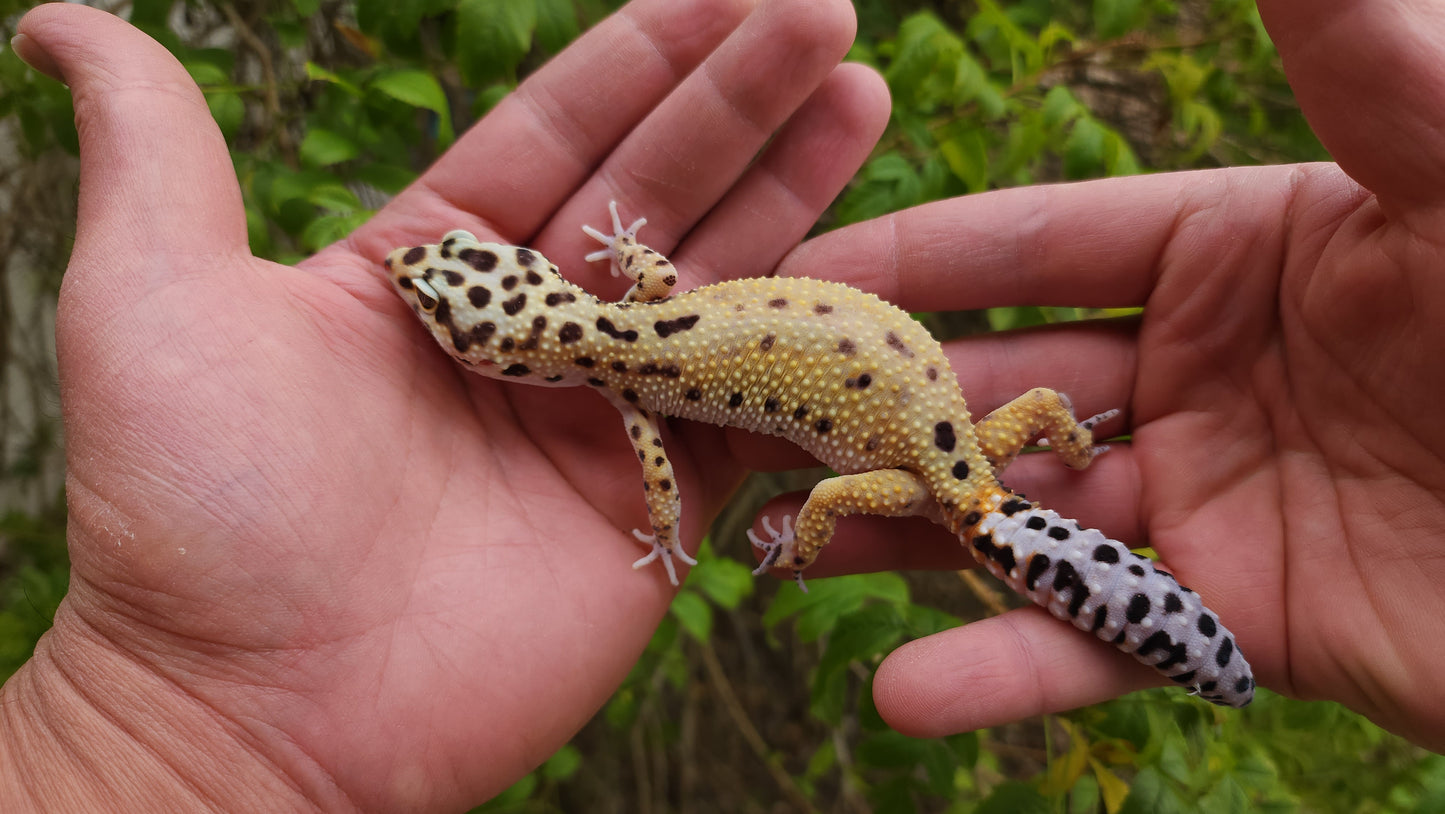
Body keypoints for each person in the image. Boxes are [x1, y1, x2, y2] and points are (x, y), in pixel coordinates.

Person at [2, 0, 1441, 808]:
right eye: (451, 287)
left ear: (515, 341)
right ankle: (1073, 446)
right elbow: (644, 314)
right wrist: (167, 729)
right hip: (947, 430)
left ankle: (999, 507)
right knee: (1006, 432)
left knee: (819, 497)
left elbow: (657, 479)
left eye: (454, 288)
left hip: (923, 462)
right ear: (523, 320)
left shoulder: (628, 377)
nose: (429, 281)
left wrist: (786, 536)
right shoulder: (631, 329)